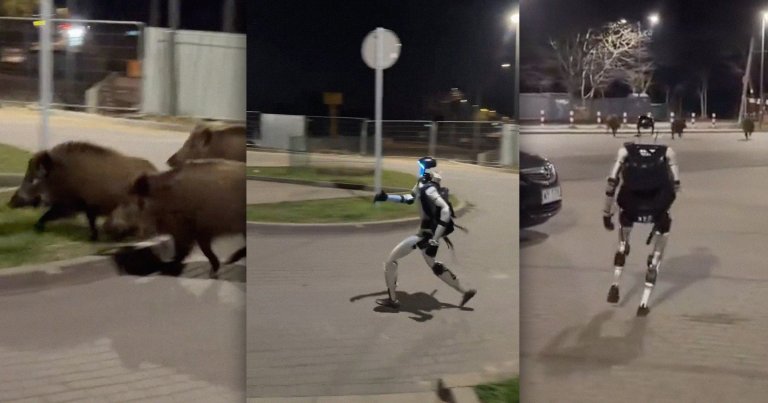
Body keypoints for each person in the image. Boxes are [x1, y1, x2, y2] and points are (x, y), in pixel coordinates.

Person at [372, 156, 476, 310]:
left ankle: (393, 301)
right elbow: (409, 198)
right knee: (434, 265)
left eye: (422, 167)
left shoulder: (430, 188)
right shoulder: (422, 185)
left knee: (390, 261)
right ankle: (464, 292)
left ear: (428, 172)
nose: (419, 169)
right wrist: (387, 197)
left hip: (425, 236)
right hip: (426, 234)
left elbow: (446, 210)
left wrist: (434, 239)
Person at [602, 141, 680, 316]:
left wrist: (607, 213)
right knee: (658, 252)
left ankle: (615, 284)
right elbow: (676, 184)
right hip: (657, 207)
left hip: (630, 206)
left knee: (622, 244)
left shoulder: (625, 150)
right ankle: (643, 303)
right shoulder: (667, 152)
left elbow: (611, 184)